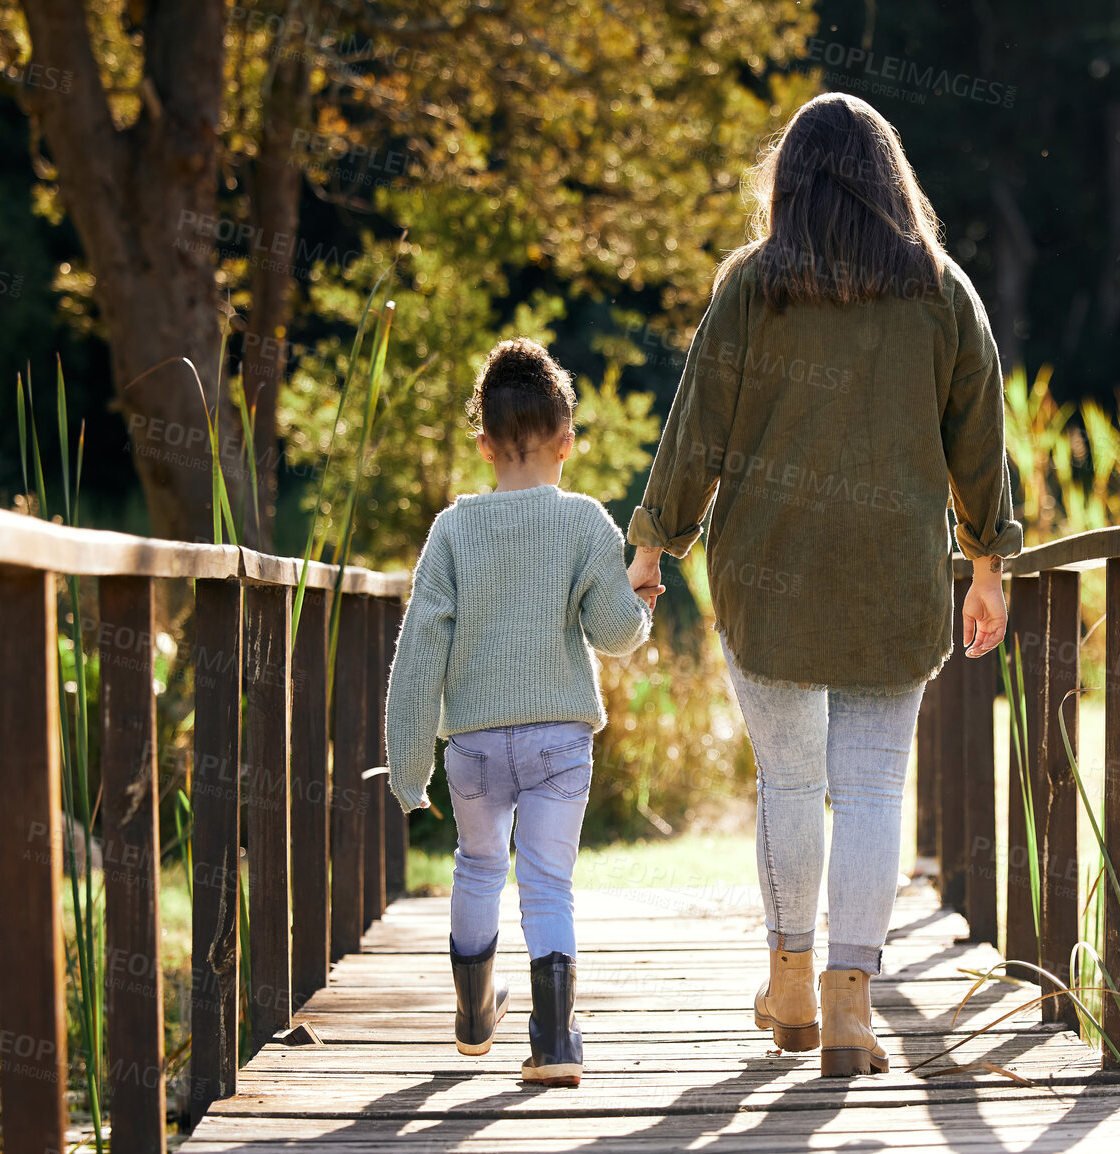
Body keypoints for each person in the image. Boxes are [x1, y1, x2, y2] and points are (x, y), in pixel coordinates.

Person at [625, 93, 1022, 1077]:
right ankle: (853, 1000)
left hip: (770, 576)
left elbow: (697, 426)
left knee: (793, 780)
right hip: (895, 577)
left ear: (788, 183)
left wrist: (654, 541)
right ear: (894, 179)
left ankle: (792, 979)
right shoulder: (943, 291)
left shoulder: (753, 288)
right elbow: (981, 441)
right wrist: (986, 562)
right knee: (876, 784)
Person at [385, 337, 659, 1088]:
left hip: (471, 746)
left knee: (477, 865)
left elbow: (417, 657)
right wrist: (639, 605)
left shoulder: (452, 529)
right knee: (546, 881)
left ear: (483, 445)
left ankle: (475, 1018)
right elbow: (613, 636)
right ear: (566, 441)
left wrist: (409, 769)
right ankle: (554, 1041)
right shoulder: (584, 522)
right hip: (558, 741)